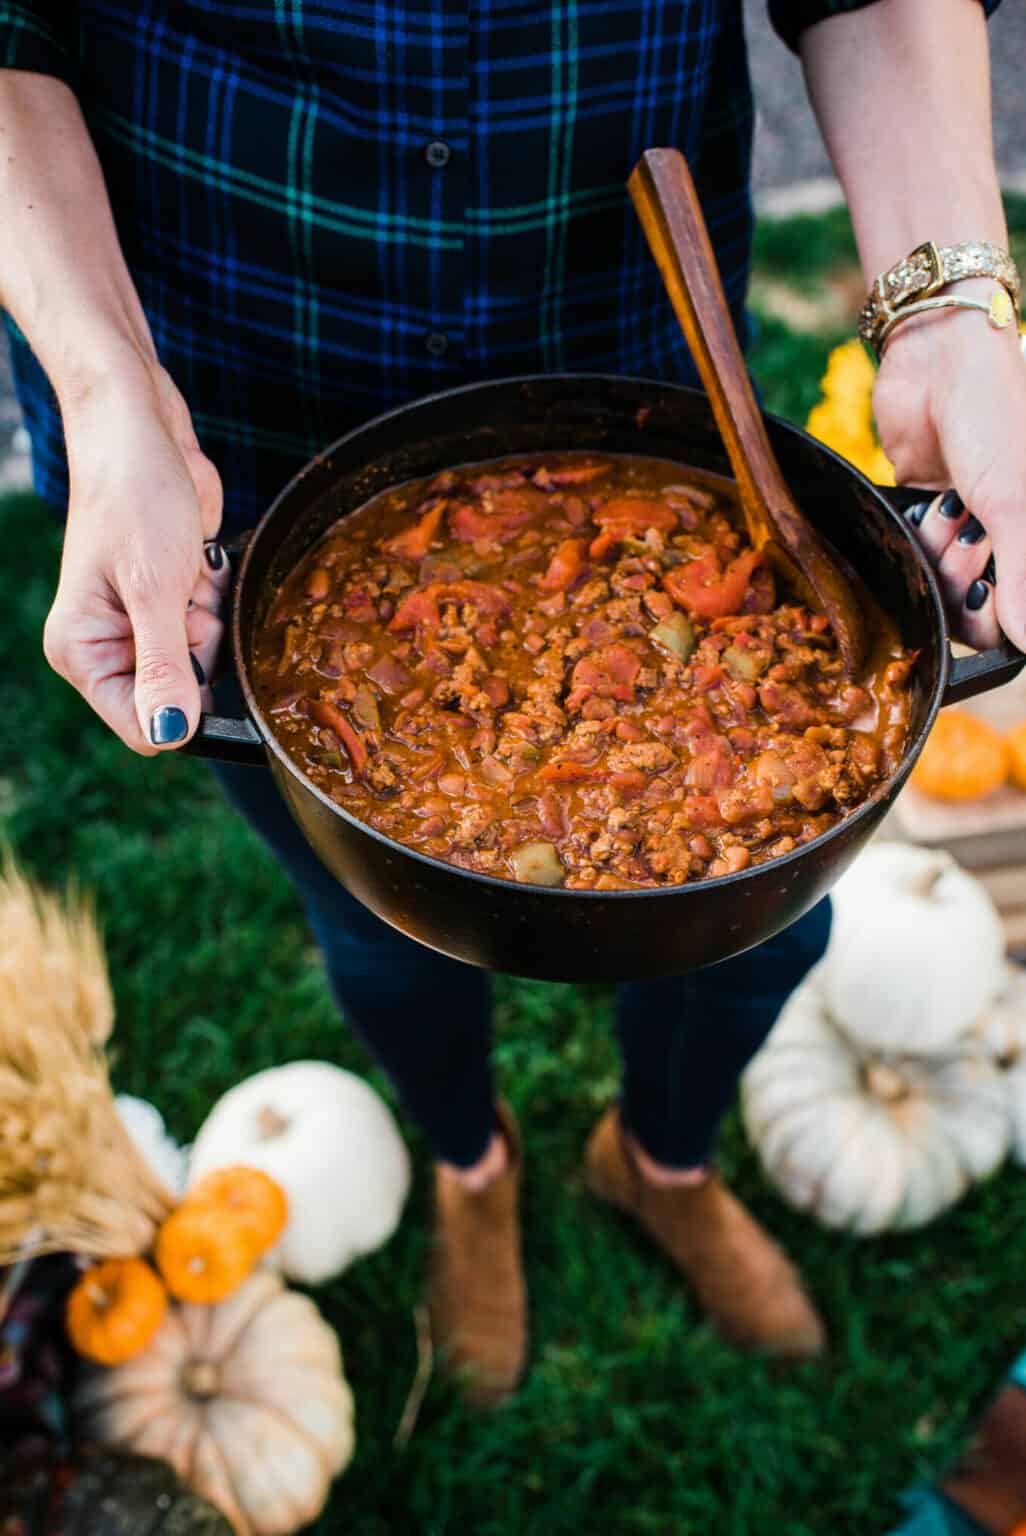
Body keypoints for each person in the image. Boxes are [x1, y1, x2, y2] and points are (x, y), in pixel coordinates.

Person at [1, 0, 1021, 1410]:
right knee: (382, 930)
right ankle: (469, 1169)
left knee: (755, 940)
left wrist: (953, 323)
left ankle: (660, 1161)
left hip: (618, 306)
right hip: (216, 391)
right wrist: (110, 392)